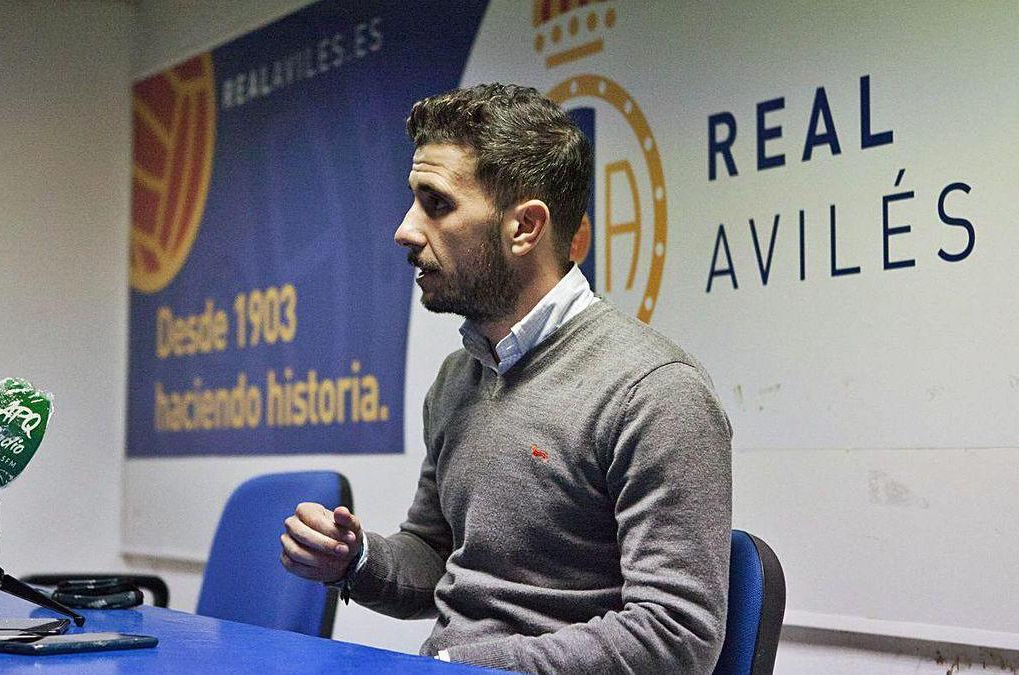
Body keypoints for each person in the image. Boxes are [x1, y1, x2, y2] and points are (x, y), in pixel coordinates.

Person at [281, 83, 732, 673]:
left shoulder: (654, 391)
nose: (405, 230)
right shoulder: (458, 379)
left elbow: (677, 636)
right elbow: (437, 557)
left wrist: (476, 665)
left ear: (524, 228)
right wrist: (355, 559)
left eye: (436, 204)